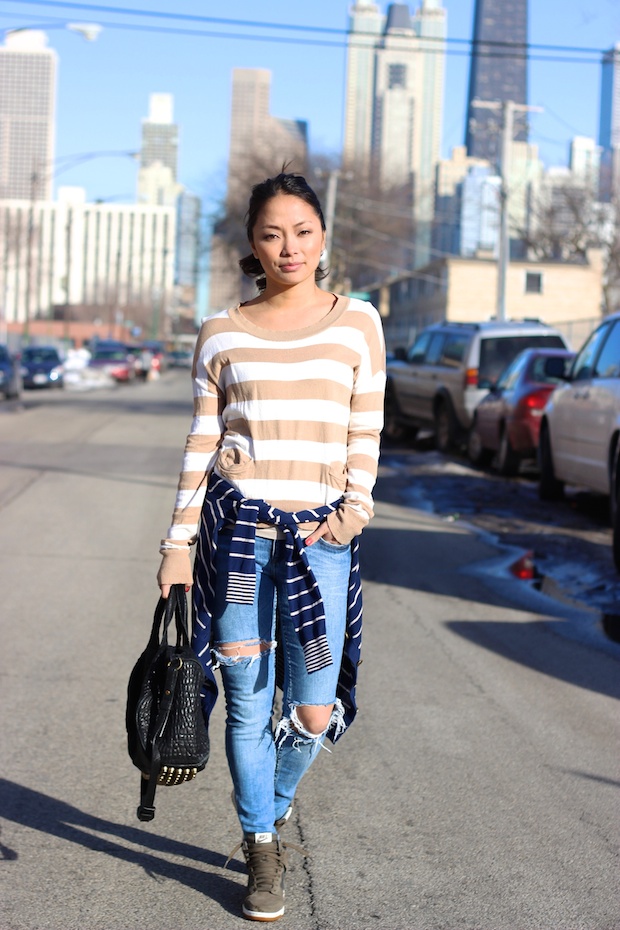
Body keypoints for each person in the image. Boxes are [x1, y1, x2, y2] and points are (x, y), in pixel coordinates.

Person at [157, 171, 385, 922]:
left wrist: (353, 513)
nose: (289, 247)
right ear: (251, 245)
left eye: (303, 231)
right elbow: (202, 441)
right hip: (238, 542)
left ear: (324, 236)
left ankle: (275, 804)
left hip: (321, 540)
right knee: (249, 703)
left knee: (314, 711)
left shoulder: (358, 323)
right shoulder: (221, 332)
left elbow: (365, 427)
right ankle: (260, 845)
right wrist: (178, 545)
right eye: (271, 233)